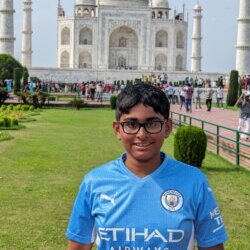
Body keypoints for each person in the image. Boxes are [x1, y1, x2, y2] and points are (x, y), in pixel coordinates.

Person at [66, 83, 227, 250]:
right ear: (117, 129)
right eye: (131, 124)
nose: (141, 135)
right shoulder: (95, 182)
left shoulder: (193, 182)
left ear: (167, 127)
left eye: (152, 123)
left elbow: (212, 246)